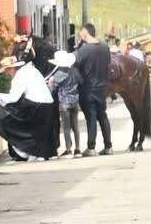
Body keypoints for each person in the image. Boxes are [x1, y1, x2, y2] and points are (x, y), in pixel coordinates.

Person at [0, 54, 59, 161]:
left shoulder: (19, 77)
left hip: (37, 105)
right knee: (39, 131)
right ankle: (40, 153)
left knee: (4, 118)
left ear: (12, 69)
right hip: (48, 105)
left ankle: (25, 151)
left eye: (7, 71)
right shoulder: (32, 70)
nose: (7, 74)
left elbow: (13, 98)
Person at [73, 22, 113, 155]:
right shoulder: (104, 47)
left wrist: (80, 81)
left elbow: (75, 66)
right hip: (102, 87)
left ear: (85, 33)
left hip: (87, 88)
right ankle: (108, 146)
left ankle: (91, 147)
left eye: (81, 33)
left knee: (91, 117)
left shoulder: (84, 50)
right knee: (103, 116)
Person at [48, 51, 84, 157]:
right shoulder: (75, 71)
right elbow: (81, 82)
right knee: (75, 126)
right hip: (75, 101)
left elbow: (52, 90)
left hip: (64, 102)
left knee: (66, 127)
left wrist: (50, 82)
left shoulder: (58, 74)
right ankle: (78, 149)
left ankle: (68, 149)